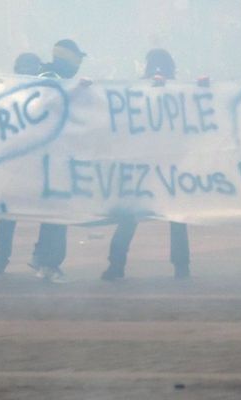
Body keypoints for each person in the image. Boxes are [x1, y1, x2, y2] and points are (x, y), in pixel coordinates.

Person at [101, 49, 190, 281]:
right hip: (167, 166)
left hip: (141, 166)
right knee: (176, 218)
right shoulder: (177, 92)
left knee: (130, 218)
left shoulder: (137, 92)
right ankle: (182, 267)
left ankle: (116, 265)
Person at [29, 39, 87, 282]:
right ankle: (50, 264)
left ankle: (42, 259)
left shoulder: (49, 75)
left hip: (51, 156)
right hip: (51, 158)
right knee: (58, 213)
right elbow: (50, 108)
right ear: (69, 59)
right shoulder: (51, 78)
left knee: (51, 213)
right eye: (77, 60)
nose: (79, 66)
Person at [0, 52, 42, 275]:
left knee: (49, 213)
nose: (26, 71)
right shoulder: (8, 93)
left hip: (35, 166)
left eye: (30, 67)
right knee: (7, 219)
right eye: (22, 67)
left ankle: (38, 257)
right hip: (16, 167)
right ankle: (0, 262)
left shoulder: (45, 92)